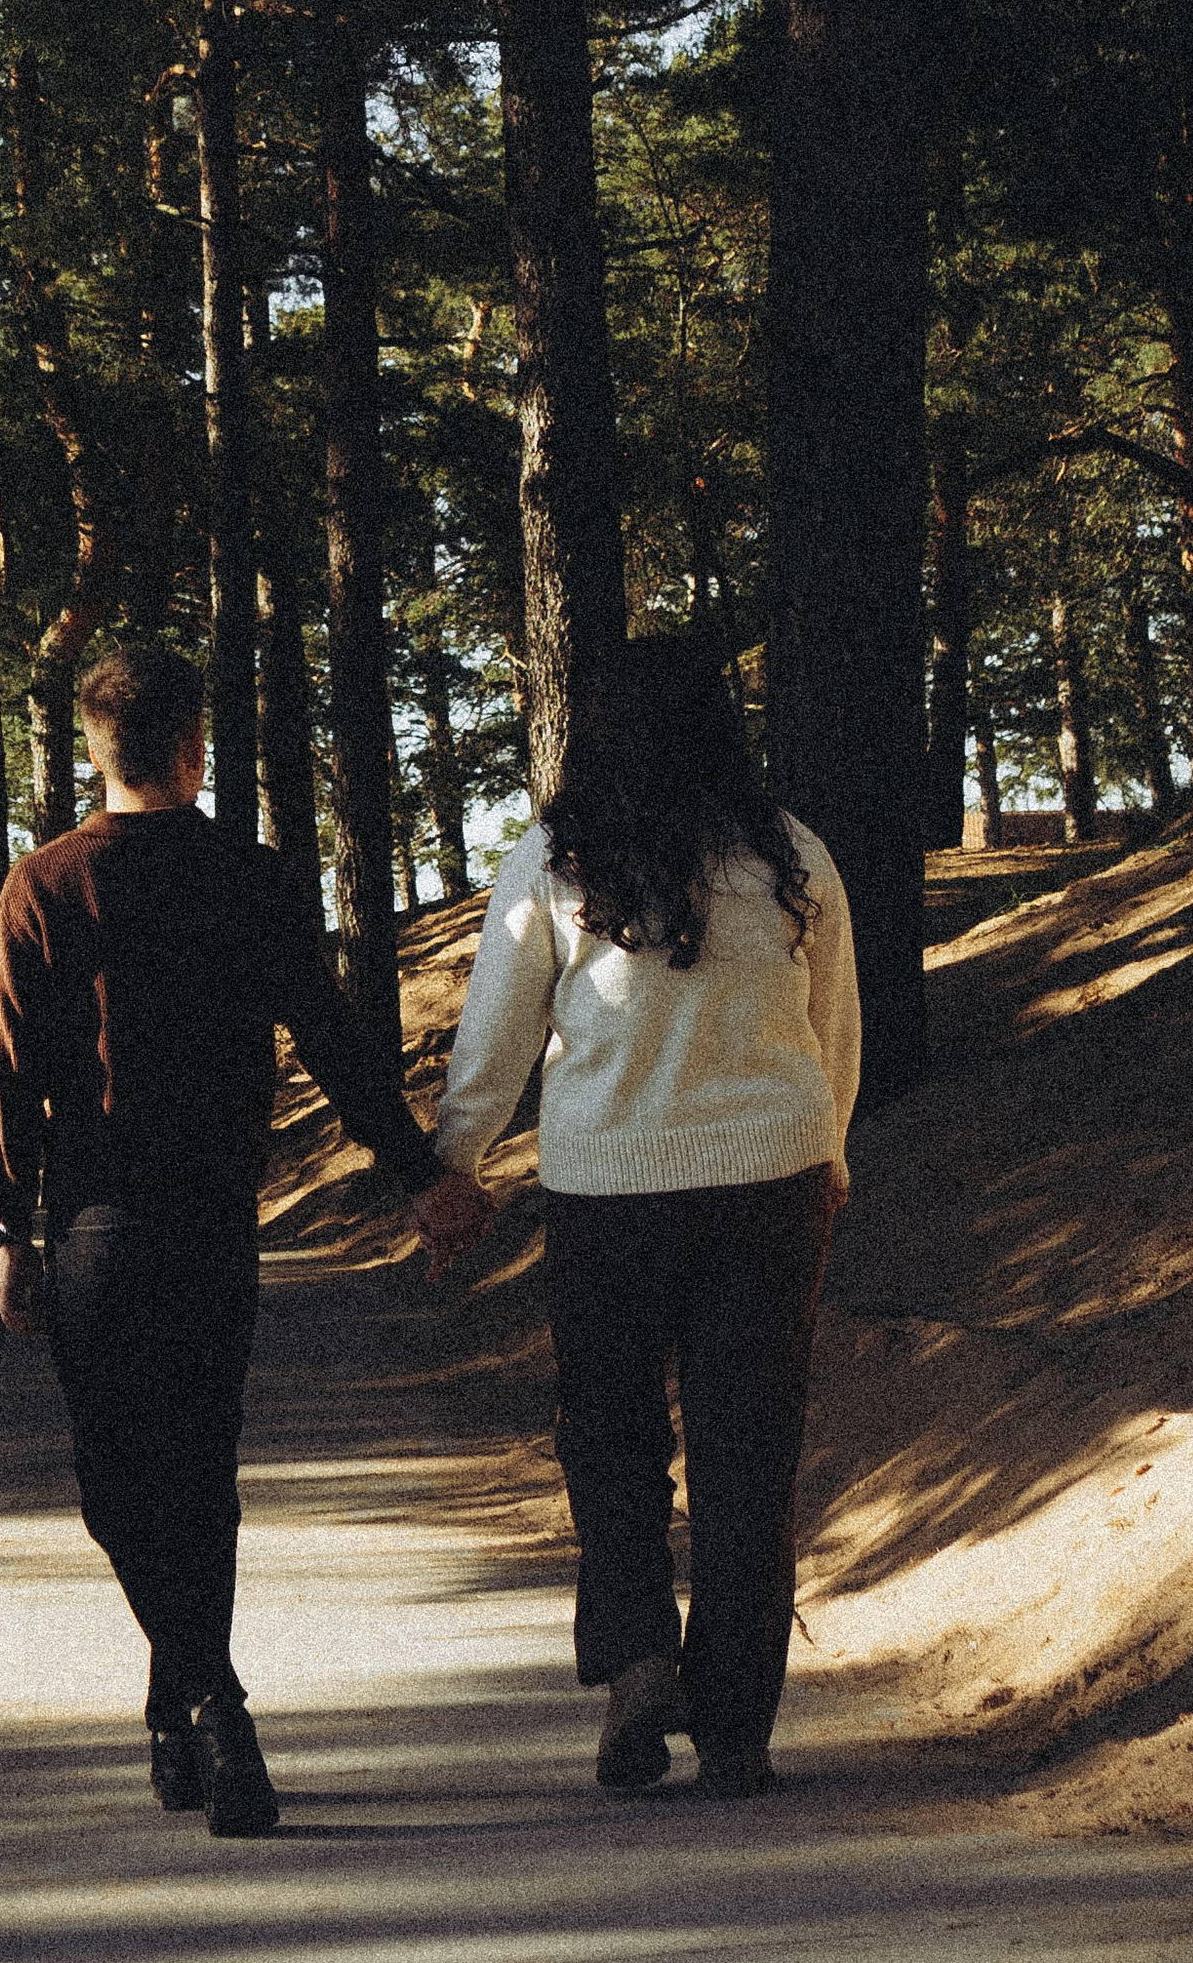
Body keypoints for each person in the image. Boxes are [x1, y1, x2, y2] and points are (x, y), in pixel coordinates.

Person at [0, 641, 489, 1837]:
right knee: (195, 1474)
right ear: (195, 752)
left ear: (96, 751)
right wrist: (419, 1175)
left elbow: (5, 1072)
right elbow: (334, 1041)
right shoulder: (238, 878)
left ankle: (214, 1705)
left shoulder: (45, 887)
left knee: (125, 1483)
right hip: (204, 1224)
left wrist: (5, 1230)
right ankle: (187, 1705)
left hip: (100, 1224)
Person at [429, 632, 860, 1803]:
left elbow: (497, 1033)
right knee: (746, 1456)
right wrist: (826, 1149)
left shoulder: (558, 861)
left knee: (611, 1440)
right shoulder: (792, 857)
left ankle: (634, 1662)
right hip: (768, 1191)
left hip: (610, 1193)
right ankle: (737, 1733)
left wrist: (453, 1161)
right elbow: (834, 1029)